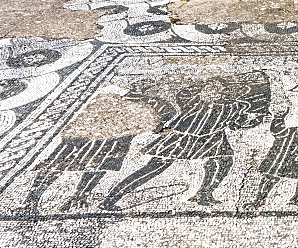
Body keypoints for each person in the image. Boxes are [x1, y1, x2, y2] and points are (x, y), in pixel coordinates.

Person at [99, 74, 269, 209]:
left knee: (223, 161)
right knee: (153, 168)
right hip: (182, 137)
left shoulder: (232, 107)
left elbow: (236, 125)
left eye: (216, 90)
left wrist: (254, 118)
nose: (211, 92)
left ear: (222, 92)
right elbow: (185, 92)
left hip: (212, 139)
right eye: (208, 89)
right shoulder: (191, 100)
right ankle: (112, 198)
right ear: (201, 91)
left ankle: (204, 194)